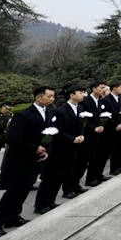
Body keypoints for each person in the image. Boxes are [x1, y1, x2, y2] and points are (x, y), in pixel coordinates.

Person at [0, 86, 55, 240]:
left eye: (53, 96)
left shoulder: (49, 113)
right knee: (13, 193)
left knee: (24, 190)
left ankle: (13, 217)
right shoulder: (23, 115)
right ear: (38, 97)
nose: (52, 99)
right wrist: (35, 148)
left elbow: (48, 134)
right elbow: (12, 139)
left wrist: (45, 150)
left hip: (35, 159)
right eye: (49, 96)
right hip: (20, 161)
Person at [35, 83, 85, 211]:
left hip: (73, 147)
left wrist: (81, 135)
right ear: (72, 95)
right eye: (80, 92)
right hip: (60, 148)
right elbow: (57, 131)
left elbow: (81, 125)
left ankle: (50, 201)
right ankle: (40, 205)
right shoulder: (61, 111)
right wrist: (72, 139)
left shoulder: (80, 108)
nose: (83, 95)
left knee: (61, 176)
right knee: (51, 177)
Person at [81, 82, 110, 187]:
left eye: (104, 88)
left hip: (99, 133)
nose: (103, 90)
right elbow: (83, 119)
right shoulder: (86, 101)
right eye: (101, 88)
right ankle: (88, 180)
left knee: (98, 156)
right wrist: (93, 128)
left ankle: (95, 176)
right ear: (94, 88)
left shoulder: (100, 100)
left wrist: (102, 125)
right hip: (89, 134)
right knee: (86, 159)